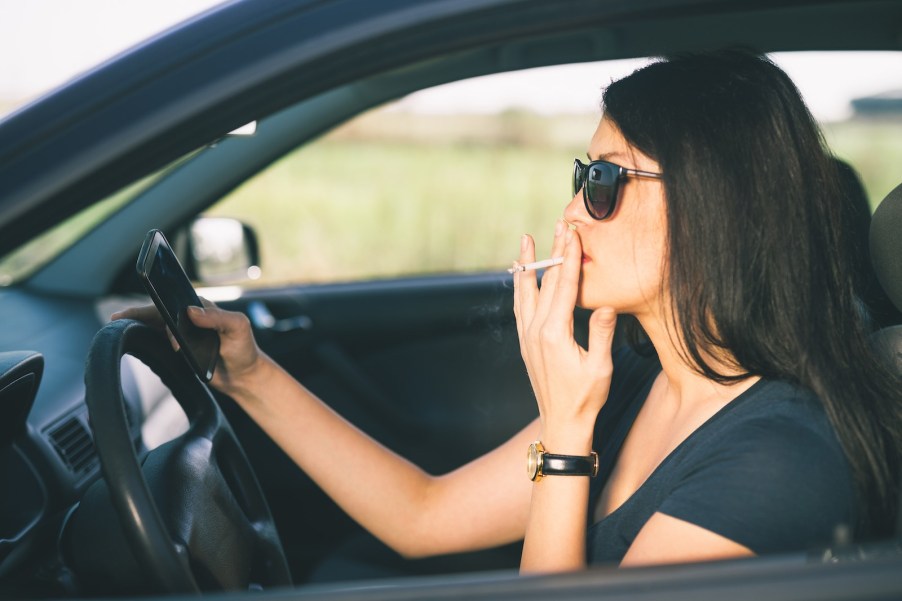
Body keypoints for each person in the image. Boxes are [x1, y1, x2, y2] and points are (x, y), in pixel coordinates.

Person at [114, 49, 902, 572]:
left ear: (715, 206)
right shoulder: (639, 372)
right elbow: (422, 514)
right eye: (579, 175)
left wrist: (566, 431)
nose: (571, 213)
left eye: (605, 182)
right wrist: (248, 374)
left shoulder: (781, 462)